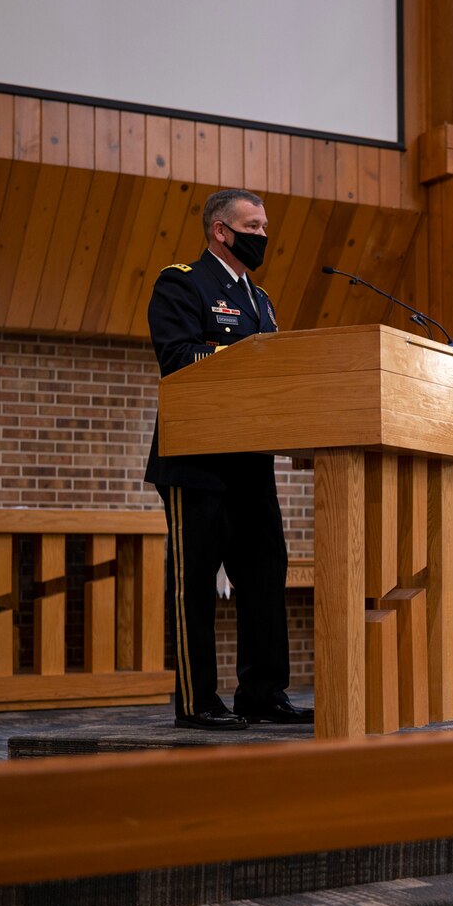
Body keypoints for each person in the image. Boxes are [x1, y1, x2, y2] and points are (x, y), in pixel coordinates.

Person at [144, 188, 313, 729]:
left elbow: (277, 375)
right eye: (254, 226)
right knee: (194, 583)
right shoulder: (182, 282)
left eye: (265, 227)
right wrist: (246, 357)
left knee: (265, 575)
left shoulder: (259, 300)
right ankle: (197, 701)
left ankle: (262, 693)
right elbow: (177, 357)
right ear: (221, 230)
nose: (263, 235)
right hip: (197, 460)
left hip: (250, 460)